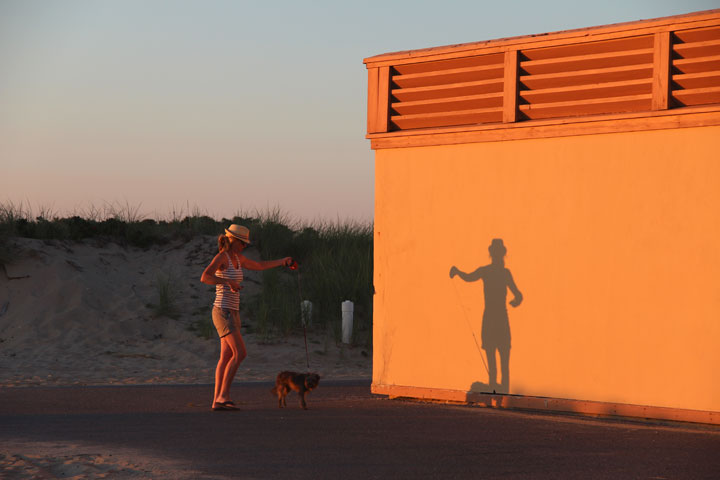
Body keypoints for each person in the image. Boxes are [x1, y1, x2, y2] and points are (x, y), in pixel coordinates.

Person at [201, 224, 292, 411]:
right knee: (240, 353)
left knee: (226, 356)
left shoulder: (238, 258)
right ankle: (223, 396)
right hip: (222, 310)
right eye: (242, 243)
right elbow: (205, 277)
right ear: (233, 240)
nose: (244, 246)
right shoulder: (222, 257)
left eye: (245, 244)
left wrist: (282, 261)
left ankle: (216, 400)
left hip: (233, 312)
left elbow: (259, 266)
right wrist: (227, 281)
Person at [450, 238, 523, 393]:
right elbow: (518, 295)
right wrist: (515, 301)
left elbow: (469, 277)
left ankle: (495, 395)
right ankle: (502, 394)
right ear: (502, 254)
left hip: (491, 319)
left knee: (494, 362)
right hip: (500, 319)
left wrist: (457, 272)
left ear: (491, 253)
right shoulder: (503, 273)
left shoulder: (488, 271)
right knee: (503, 363)